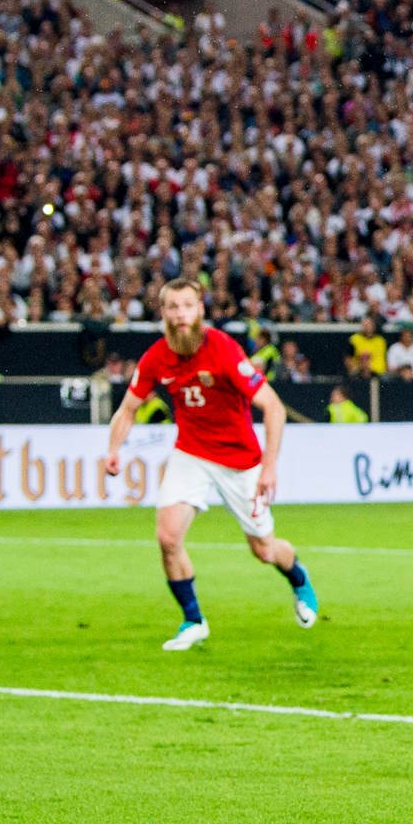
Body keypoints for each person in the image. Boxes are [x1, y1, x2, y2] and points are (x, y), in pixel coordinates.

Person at [105, 278, 319, 649]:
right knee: (167, 537)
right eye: (173, 307)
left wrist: (269, 467)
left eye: (188, 305)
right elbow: (127, 410)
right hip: (191, 453)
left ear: (201, 309)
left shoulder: (223, 350)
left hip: (240, 460)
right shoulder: (156, 357)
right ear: (164, 313)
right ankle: (193, 621)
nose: (181, 314)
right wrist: (112, 449)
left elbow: (273, 407)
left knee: (264, 550)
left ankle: (299, 579)